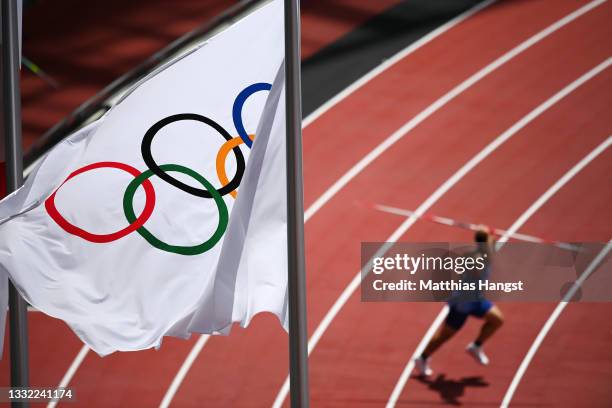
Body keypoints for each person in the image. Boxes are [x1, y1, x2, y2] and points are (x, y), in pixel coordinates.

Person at [415, 228, 504, 376]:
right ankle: (422, 358)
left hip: (477, 300)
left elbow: (491, 241)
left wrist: (487, 233)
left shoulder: (485, 253)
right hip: (462, 304)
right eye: (491, 239)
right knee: (444, 336)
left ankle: (476, 346)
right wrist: (486, 237)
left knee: (497, 320)